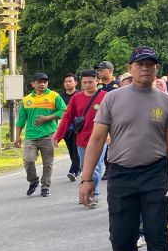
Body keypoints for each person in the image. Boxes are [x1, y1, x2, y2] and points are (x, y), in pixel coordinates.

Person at [79, 46, 168, 251]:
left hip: (154, 173)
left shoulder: (167, 102)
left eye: (151, 64)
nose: (146, 68)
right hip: (122, 175)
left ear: (156, 69)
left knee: (157, 233)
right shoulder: (112, 99)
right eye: (141, 64)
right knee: (120, 238)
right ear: (131, 67)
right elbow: (97, 139)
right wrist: (87, 178)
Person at [54, 70, 107, 207]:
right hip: (82, 140)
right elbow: (67, 118)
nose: (88, 85)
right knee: (85, 167)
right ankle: (85, 190)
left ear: (97, 81)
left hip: (101, 140)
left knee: (97, 166)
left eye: (90, 82)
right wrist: (58, 136)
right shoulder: (76, 98)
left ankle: (93, 194)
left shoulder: (106, 97)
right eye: (85, 83)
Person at [15, 72, 66, 198]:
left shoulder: (54, 96)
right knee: (28, 160)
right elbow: (21, 120)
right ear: (33, 84)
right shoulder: (26, 100)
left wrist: (48, 118)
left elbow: (64, 110)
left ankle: (45, 186)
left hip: (48, 135)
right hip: (31, 136)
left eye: (45, 82)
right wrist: (17, 137)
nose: (42, 84)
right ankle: (33, 181)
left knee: (47, 163)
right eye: (39, 82)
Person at [61, 72, 81, 181]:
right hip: (66, 128)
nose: (68, 83)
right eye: (66, 81)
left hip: (78, 127)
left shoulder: (80, 95)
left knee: (76, 149)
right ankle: (77, 167)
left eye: (70, 81)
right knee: (71, 150)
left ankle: (74, 170)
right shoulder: (60, 97)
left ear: (76, 83)